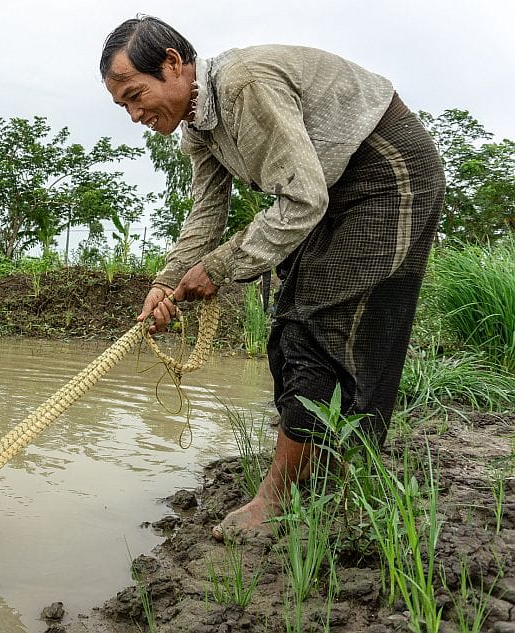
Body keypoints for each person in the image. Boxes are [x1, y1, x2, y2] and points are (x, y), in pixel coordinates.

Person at [99, 16, 444, 540]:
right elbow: (206, 216)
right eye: (122, 104)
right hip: (333, 189)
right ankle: (327, 470)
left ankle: (277, 498)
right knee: (290, 331)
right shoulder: (199, 127)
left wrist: (217, 268)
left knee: (314, 329)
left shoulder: (243, 87)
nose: (133, 113)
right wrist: (165, 283)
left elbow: (303, 197)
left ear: (173, 64)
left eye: (135, 95)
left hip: (387, 175)